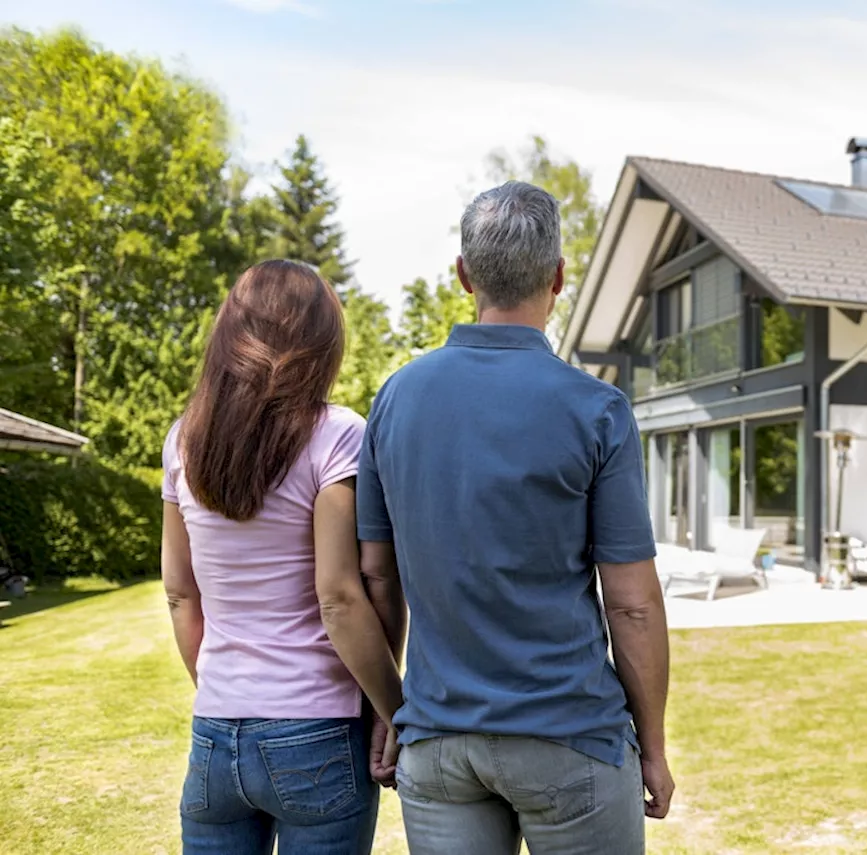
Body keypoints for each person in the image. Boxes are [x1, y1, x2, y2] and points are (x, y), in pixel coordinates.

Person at [358, 181, 674, 854]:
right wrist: (652, 745)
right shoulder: (597, 409)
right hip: (570, 737)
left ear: (463, 274)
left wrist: (394, 709)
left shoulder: (395, 399)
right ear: (559, 277)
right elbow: (634, 606)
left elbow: (376, 578)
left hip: (439, 743)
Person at [160, 260, 406, 855]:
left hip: (216, 737)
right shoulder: (336, 434)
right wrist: (395, 709)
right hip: (317, 736)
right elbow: (342, 596)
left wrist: (223, 689)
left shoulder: (183, 440)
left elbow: (180, 592)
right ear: (320, 340)